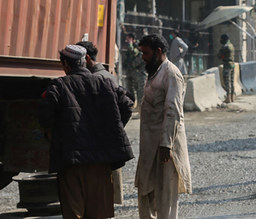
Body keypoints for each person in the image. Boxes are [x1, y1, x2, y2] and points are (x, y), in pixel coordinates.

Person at [39, 44, 134, 219]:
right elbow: (128, 104)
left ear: (65, 64)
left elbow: (45, 114)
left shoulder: (58, 86)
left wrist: (52, 135)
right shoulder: (105, 82)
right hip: (101, 162)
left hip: (71, 162)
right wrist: (114, 128)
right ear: (84, 62)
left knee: (74, 212)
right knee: (99, 213)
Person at [135, 34, 192, 219]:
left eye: (146, 53)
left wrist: (166, 144)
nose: (143, 57)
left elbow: (172, 111)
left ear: (158, 52)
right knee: (146, 194)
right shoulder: (155, 72)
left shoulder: (171, 73)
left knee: (165, 199)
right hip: (150, 146)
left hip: (165, 148)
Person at [77, 40, 132, 205]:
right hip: (109, 139)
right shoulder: (107, 75)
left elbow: (125, 106)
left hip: (102, 142)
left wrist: (115, 127)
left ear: (86, 58)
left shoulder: (96, 78)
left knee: (101, 193)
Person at [123, 32, 147, 105]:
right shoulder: (129, 45)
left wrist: (130, 44)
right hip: (130, 71)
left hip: (138, 71)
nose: (126, 40)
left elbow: (134, 52)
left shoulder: (137, 45)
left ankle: (140, 106)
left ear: (132, 39)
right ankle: (132, 104)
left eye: (128, 38)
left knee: (139, 89)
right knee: (130, 88)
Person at [218, 34, 236, 103]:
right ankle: (232, 97)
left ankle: (228, 98)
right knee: (231, 81)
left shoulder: (225, 47)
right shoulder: (231, 45)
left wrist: (222, 56)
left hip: (227, 65)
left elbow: (219, 55)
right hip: (232, 65)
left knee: (227, 82)